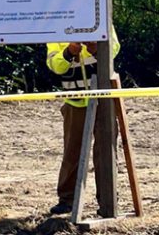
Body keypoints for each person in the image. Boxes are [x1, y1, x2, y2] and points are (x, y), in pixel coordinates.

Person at [45, 25, 120, 215]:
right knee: (72, 152)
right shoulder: (57, 24)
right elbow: (55, 65)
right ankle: (67, 200)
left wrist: (96, 50)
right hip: (75, 102)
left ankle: (108, 202)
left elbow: (114, 50)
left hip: (104, 100)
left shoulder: (101, 17)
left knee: (106, 152)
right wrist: (69, 52)